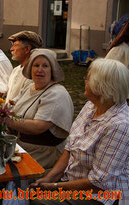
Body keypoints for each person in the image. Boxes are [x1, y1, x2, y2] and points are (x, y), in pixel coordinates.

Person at [30, 58, 129, 205]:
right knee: (28, 180)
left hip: (99, 196)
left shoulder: (119, 125)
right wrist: (50, 178)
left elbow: (98, 182)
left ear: (101, 87)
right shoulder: (91, 105)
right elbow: (70, 147)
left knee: (40, 201)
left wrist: (54, 187)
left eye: (88, 79)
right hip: (72, 178)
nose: (84, 81)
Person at [5, 49, 74, 169]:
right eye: (36, 65)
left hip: (44, 151)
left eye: (45, 66)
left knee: (8, 170)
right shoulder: (29, 87)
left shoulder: (56, 94)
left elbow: (38, 126)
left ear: (52, 70)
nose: (40, 70)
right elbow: (12, 105)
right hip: (21, 144)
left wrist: (7, 120)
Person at [6, 31, 43, 103]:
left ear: (27, 49)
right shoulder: (16, 70)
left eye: (15, 45)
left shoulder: (34, 74)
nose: (11, 49)